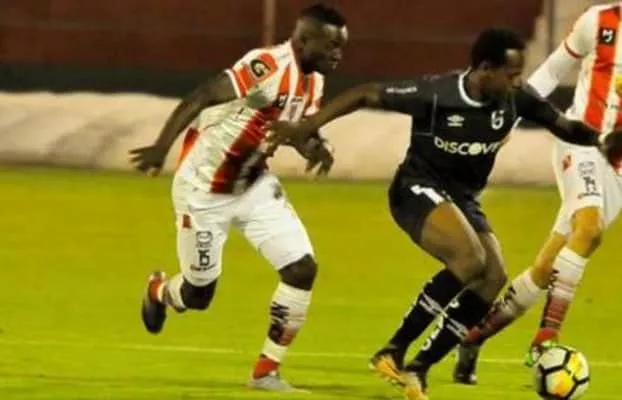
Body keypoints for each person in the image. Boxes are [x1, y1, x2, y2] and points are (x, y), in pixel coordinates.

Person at [266, 28, 619, 400]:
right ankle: (394, 349)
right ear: (485, 69)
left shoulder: (516, 99)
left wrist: (601, 140)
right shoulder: (438, 94)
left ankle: (419, 367)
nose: (518, 82)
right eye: (511, 74)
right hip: (415, 189)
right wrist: (307, 126)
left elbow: (564, 126)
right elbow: (365, 93)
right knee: (470, 259)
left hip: (463, 198)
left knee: (493, 277)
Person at [129, 3, 348, 392]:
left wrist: (317, 147)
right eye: (331, 45)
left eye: (342, 47)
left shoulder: (314, 81)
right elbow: (204, 95)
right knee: (198, 294)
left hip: (253, 185)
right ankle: (159, 292)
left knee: (301, 269)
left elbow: (293, 130)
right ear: (303, 40)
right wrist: (162, 147)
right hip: (203, 192)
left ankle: (266, 371)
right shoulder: (267, 65)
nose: (338, 55)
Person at [453, 2, 622, 385]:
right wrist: (510, 116)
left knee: (547, 268)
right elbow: (553, 70)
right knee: (590, 229)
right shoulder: (598, 21)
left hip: (617, 165)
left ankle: (472, 337)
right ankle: (548, 336)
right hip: (580, 142)